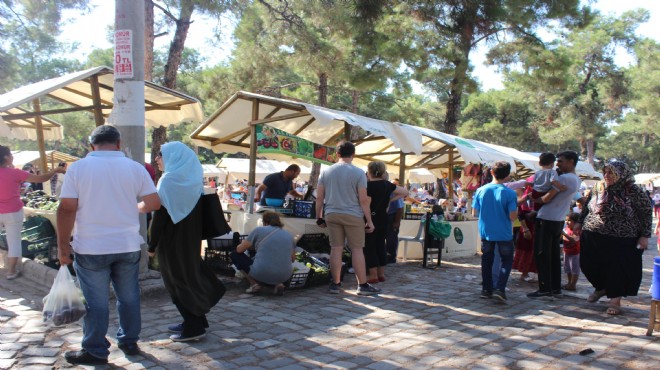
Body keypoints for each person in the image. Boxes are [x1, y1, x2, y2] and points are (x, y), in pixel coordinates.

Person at [56, 125, 161, 365]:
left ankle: (95, 350)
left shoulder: (79, 169)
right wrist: (136, 208)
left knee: (96, 302)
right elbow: (154, 203)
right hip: (127, 245)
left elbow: (66, 209)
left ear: (92, 145)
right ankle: (129, 341)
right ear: (119, 143)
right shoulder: (135, 168)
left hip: (91, 247)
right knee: (129, 297)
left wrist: (63, 247)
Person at [148, 142, 226, 342]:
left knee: (177, 282)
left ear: (174, 157)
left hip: (171, 242)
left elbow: (160, 217)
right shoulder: (192, 181)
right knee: (188, 278)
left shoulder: (168, 181)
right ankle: (195, 320)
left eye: (160, 154)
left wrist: (151, 246)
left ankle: (193, 327)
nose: (157, 159)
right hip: (189, 241)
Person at [574, 160, 652, 315]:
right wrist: (579, 222)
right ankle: (602, 287)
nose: (606, 175)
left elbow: (645, 213)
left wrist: (645, 235)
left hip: (622, 237)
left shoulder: (633, 190)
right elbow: (587, 206)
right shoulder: (598, 187)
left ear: (621, 174)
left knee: (617, 269)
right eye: (605, 172)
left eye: (611, 172)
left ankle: (615, 301)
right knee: (588, 264)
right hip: (593, 233)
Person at [315, 141, 380, 295]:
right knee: (357, 249)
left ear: (337, 154)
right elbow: (363, 200)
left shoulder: (326, 172)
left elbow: (319, 197)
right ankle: (362, 285)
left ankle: (335, 284)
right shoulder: (358, 173)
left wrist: (319, 216)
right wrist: (369, 221)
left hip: (332, 213)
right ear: (353, 154)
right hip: (353, 214)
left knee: (335, 249)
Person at [0, 145, 66, 280]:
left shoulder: (15, 172)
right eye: (11, 154)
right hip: (13, 212)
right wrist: (55, 170)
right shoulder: (16, 173)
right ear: (6, 157)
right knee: (14, 242)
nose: (12, 156)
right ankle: (11, 272)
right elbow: (42, 179)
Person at [527, 151, 581, 299]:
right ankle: (555, 287)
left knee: (542, 254)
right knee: (553, 256)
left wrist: (534, 199)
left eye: (561, 161)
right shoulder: (576, 179)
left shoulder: (563, 178)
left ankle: (545, 287)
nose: (557, 164)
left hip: (546, 218)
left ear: (571, 161)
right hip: (557, 219)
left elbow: (546, 197)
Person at [472, 161, 518, 302]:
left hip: (486, 231)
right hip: (504, 232)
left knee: (487, 260)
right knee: (506, 260)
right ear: (507, 175)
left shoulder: (480, 190)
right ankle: (500, 289)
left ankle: (486, 289)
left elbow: (475, 213)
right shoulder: (510, 193)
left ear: (491, 172)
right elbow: (512, 216)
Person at [230, 212, 295, 295]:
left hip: (262, 272)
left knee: (234, 255)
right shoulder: (289, 235)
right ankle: (279, 283)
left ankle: (254, 284)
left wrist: (242, 243)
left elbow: (239, 250)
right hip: (285, 276)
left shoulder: (259, 230)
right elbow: (293, 259)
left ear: (264, 222)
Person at [364, 162, 408, 282]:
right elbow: (405, 192)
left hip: (370, 218)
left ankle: (373, 275)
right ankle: (381, 274)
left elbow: (365, 204)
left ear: (369, 172)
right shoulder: (387, 185)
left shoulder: (367, 186)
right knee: (381, 245)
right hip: (384, 218)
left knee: (370, 247)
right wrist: (390, 199)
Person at [512, 179, 538, 282]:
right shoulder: (525, 198)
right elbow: (521, 214)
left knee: (536, 250)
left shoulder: (541, 197)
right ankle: (524, 272)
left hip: (537, 227)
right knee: (527, 249)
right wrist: (525, 229)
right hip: (527, 226)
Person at [385, 178, 405, 264]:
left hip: (391, 216)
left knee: (391, 238)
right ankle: (386, 256)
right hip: (385, 216)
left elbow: (400, 208)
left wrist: (397, 222)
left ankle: (391, 257)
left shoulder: (394, 192)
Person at [561, 212, 581, 291]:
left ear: (575, 222)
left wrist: (564, 234)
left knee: (574, 270)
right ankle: (569, 283)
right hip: (566, 252)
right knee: (567, 269)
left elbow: (573, 240)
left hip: (575, 253)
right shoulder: (566, 229)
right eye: (566, 220)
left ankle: (573, 285)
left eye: (569, 220)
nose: (567, 222)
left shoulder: (577, 231)